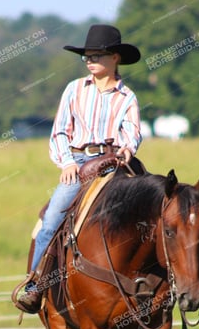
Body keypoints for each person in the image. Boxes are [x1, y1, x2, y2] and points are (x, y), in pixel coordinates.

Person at [12, 24, 143, 314]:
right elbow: (59, 131)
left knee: (151, 212)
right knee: (50, 222)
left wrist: (127, 148)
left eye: (97, 55)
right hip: (80, 163)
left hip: (114, 163)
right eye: (87, 55)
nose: (89, 60)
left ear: (115, 58)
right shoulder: (74, 90)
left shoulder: (127, 98)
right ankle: (34, 285)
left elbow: (133, 132)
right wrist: (67, 162)